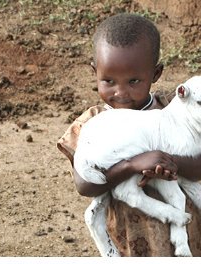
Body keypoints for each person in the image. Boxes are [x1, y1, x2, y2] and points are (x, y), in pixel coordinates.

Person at [57, 13, 201, 256]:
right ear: (95, 72)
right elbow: (85, 185)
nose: (121, 92)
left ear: (155, 74)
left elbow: (198, 166)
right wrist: (132, 164)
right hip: (131, 244)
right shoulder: (92, 122)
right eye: (109, 81)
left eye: (133, 81)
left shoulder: (175, 109)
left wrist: (165, 160)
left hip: (189, 239)